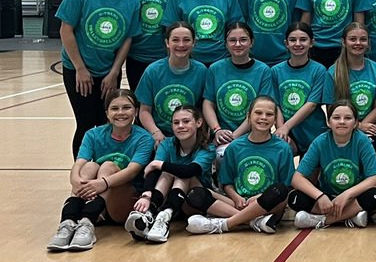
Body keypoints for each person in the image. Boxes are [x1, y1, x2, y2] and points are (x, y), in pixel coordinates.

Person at [57, 0, 141, 157]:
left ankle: (106, 172)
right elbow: (65, 30)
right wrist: (80, 68)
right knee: (85, 123)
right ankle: (81, 175)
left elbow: (127, 39)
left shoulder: (131, 0)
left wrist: (114, 73)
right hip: (78, 69)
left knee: (108, 123)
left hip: (108, 71)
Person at [46, 89, 154, 252]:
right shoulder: (93, 134)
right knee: (89, 166)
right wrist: (75, 181)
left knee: (108, 166)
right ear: (107, 113)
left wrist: (102, 183)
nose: (121, 113)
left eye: (126, 108)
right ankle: (68, 222)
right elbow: (79, 163)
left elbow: (132, 171)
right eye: (115, 109)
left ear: (136, 111)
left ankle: (88, 222)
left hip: (122, 203)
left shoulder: (144, 138)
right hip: (95, 197)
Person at [185, 95, 292, 235]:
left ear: (274, 119)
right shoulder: (234, 147)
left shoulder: (282, 148)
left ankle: (225, 224)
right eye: (258, 113)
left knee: (280, 191)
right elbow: (226, 183)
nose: (263, 117)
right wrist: (236, 197)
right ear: (248, 116)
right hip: (238, 203)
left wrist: (259, 197)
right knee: (196, 193)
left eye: (269, 114)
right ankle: (254, 222)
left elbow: (286, 185)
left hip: (267, 205)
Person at [289, 101, 376, 229]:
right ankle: (350, 216)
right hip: (328, 198)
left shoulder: (362, 141)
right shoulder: (320, 142)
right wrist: (320, 196)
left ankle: (322, 220)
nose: (341, 122)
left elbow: (375, 178)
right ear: (329, 122)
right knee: (294, 197)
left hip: (354, 197)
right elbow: (297, 178)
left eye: (348, 118)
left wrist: (347, 195)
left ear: (356, 123)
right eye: (336, 118)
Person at [125, 104, 216, 244]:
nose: (180, 126)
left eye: (186, 121)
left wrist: (160, 164)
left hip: (196, 201)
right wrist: (146, 194)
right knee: (167, 173)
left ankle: (164, 216)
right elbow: (152, 170)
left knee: (182, 175)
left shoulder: (207, 147)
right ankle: (152, 215)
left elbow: (190, 171)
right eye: (176, 122)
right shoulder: (167, 144)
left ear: (198, 123)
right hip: (172, 199)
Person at [134, 21, 208, 147]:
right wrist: (155, 132)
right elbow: (144, 111)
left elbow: (203, 108)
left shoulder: (201, 71)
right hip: (158, 134)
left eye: (186, 40)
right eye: (175, 40)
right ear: (167, 43)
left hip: (188, 134)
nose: (181, 45)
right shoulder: (153, 71)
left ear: (194, 43)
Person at [203, 22, 272, 149]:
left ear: (251, 42)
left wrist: (233, 139)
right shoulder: (215, 69)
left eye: (243, 40)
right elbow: (208, 103)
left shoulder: (263, 71)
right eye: (232, 40)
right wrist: (217, 130)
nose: (238, 44)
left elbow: (261, 110)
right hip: (220, 136)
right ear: (226, 44)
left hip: (253, 136)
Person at [324, 22, 376, 150]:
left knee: (371, 142)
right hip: (342, 123)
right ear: (343, 42)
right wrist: (357, 126)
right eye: (352, 39)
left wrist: (363, 125)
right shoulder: (333, 72)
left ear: (368, 43)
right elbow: (331, 108)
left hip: (371, 122)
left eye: (363, 39)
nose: (358, 43)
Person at [270, 22, 329, 156]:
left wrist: (286, 126)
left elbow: (311, 105)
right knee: (279, 150)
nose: (297, 44)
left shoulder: (319, 70)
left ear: (311, 42)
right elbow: (276, 105)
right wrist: (281, 129)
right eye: (292, 40)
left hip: (313, 131)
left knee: (309, 176)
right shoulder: (275, 71)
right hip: (289, 132)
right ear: (286, 43)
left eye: (303, 39)